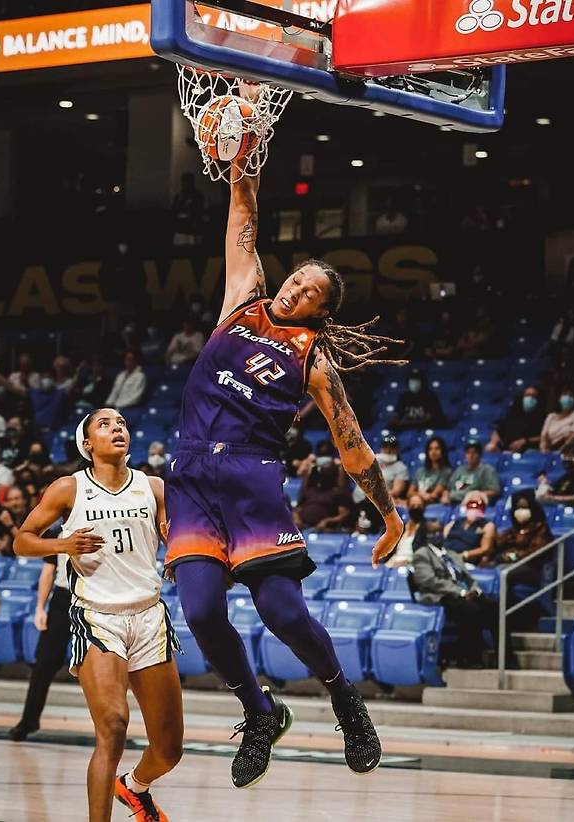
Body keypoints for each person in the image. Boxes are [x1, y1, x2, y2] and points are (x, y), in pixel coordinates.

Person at [164, 156, 405, 789]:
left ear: (320, 312)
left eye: (308, 293)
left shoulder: (314, 362)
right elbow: (241, 218)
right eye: (295, 280)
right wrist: (243, 162)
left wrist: (389, 515)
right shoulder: (243, 302)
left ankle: (347, 705)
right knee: (201, 610)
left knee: (283, 612)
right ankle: (260, 712)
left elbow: (352, 447)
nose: (294, 291)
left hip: (252, 480)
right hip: (191, 474)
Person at [14, 408, 183, 822]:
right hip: (97, 618)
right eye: (105, 425)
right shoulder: (68, 488)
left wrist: (176, 546)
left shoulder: (154, 486)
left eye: (122, 423)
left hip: (149, 617)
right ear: (87, 444)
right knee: (113, 726)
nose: (117, 429)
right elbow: (23, 540)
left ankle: (135, 786)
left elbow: (172, 532)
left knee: (168, 750)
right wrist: (64, 544)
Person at [412, 538, 514, 668]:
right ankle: (471, 659)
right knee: (470, 610)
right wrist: (460, 592)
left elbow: (468, 578)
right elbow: (428, 581)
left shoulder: (452, 554)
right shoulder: (422, 554)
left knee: (495, 607)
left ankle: (506, 659)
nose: (437, 536)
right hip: (441, 596)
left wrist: (474, 590)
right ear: (427, 536)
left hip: (464, 593)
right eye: (433, 533)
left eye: (439, 532)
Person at [9, 545, 71, 742]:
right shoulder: (58, 529)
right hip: (63, 597)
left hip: (96, 598)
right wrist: (40, 608)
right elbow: (48, 569)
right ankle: (28, 721)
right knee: (43, 664)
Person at [487, 493, 553, 587]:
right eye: (518, 508)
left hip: (532, 567)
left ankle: (506, 601)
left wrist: (513, 556)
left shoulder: (540, 528)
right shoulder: (513, 530)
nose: (520, 512)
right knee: (486, 567)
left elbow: (536, 552)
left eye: (524, 508)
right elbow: (499, 544)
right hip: (510, 563)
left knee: (502, 571)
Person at [354, 435, 409, 533]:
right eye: (385, 447)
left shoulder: (401, 468)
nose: (388, 450)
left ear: (397, 450)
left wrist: (376, 494)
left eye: (391, 448)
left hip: (379, 502)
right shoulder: (372, 462)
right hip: (359, 501)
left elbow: (396, 491)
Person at [293, 457, 354, 532]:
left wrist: (327, 521)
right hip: (303, 527)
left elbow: (344, 514)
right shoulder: (310, 490)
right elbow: (298, 509)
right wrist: (296, 519)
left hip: (325, 529)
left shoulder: (338, 492)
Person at [485, 386, 545, 453]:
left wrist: (524, 441)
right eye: (527, 395)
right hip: (507, 448)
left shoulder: (542, 416)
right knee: (489, 448)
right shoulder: (513, 412)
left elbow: (544, 436)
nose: (530, 398)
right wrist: (494, 442)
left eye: (533, 396)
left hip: (529, 449)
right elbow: (498, 430)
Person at [443, 491, 496, 565]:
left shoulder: (487, 526)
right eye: (471, 503)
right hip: (446, 556)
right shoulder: (453, 523)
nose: (474, 507)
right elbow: (444, 540)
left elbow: (485, 549)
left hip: (466, 561)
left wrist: (464, 555)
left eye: (479, 504)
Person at [444, 439, 501, 504]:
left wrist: (477, 494)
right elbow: (447, 489)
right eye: (468, 453)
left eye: (474, 453)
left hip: (473, 503)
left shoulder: (487, 470)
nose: (471, 456)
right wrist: (445, 496)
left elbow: (494, 491)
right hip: (452, 502)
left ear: (480, 455)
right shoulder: (459, 470)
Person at [384, 495, 431, 568]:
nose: (415, 508)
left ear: (424, 508)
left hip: (414, 565)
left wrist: (407, 562)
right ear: (408, 507)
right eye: (412, 506)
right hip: (394, 562)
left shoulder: (428, 528)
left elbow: (426, 553)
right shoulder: (402, 528)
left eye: (419, 506)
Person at [407, 436, 451, 505]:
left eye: (437, 448)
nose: (433, 452)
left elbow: (433, 495)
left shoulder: (446, 472)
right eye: (430, 449)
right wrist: (421, 494)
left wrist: (419, 495)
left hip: (430, 504)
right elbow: (409, 493)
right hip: (415, 500)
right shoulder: (420, 471)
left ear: (442, 451)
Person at [540, 388, 574, 453]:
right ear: (559, 399)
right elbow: (543, 435)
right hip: (548, 450)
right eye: (565, 395)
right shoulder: (551, 416)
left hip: (567, 451)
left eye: (571, 396)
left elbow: (573, 436)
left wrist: (558, 452)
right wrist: (543, 449)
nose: (568, 398)